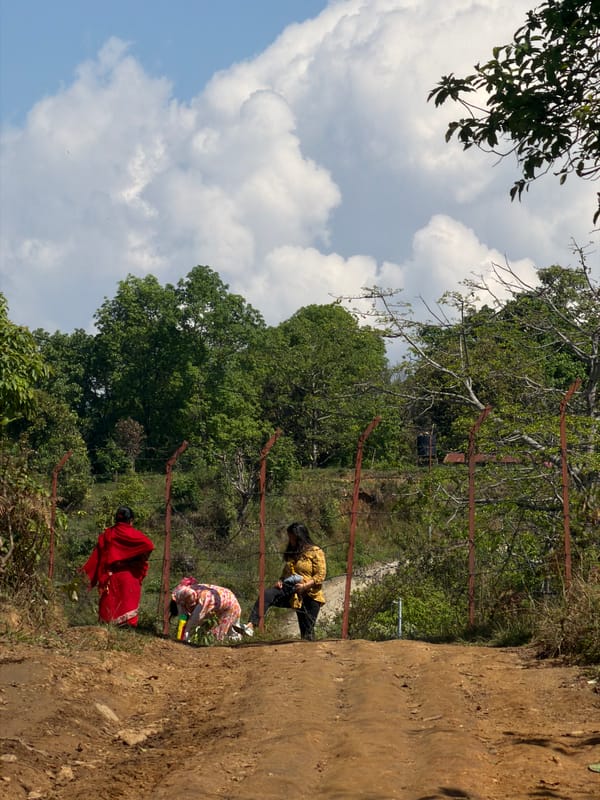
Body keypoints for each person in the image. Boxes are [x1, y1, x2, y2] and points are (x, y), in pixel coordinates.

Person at [242, 521, 326, 641]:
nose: (290, 540)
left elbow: (321, 574)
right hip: (292, 591)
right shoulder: (293, 553)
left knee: (307, 633)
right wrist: (281, 580)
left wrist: (305, 586)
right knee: (267, 595)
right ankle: (251, 625)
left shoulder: (315, 551)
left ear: (300, 537)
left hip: (310, 595)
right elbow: (286, 572)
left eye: (292, 537)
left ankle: (309, 656)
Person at [81, 506, 154, 627]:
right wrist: (138, 560)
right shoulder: (134, 535)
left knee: (109, 614)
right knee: (127, 617)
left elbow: (96, 559)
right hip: (130, 577)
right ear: (131, 520)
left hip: (111, 577)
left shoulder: (108, 534)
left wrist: (85, 578)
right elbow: (148, 545)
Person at [171, 577, 243, 643]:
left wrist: (185, 634)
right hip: (222, 601)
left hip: (229, 606)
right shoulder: (183, 592)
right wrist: (182, 627)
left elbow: (194, 620)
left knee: (217, 635)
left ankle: (237, 639)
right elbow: (182, 615)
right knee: (223, 630)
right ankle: (237, 635)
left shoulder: (204, 598)